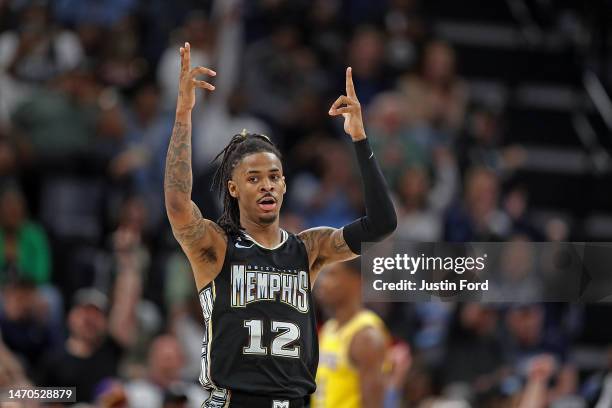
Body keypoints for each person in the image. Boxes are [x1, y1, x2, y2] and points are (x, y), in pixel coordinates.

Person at [163, 42, 396, 407]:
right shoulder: (217, 245)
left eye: (274, 176)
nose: (267, 184)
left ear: (285, 185)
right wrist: (183, 115)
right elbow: (178, 205)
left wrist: (360, 139)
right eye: (254, 178)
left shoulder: (309, 249)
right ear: (234, 188)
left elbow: (382, 224)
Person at [312, 259, 396, 408]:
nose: (322, 282)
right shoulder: (329, 328)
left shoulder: (366, 336)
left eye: (331, 274)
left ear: (357, 280)